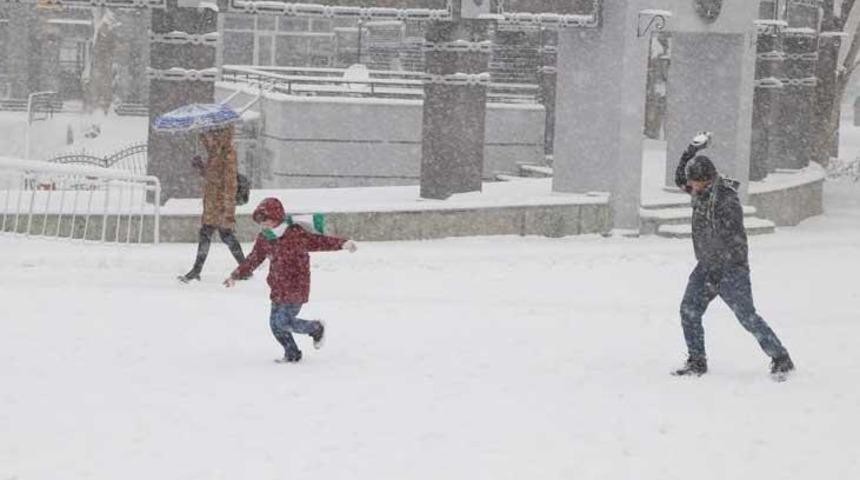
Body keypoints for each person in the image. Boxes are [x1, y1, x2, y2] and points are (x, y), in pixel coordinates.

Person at [672, 132, 794, 379]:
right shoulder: (699, 193)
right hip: (707, 266)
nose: (690, 187)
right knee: (689, 310)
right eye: (691, 183)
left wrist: (723, 266)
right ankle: (697, 361)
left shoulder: (727, 200)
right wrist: (690, 150)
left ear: (706, 180)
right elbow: (679, 178)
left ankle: (781, 358)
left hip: (731, 270)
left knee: (747, 316)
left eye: (694, 183)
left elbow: (734, 241)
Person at [224, 197, 358, 363]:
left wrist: (343, 243)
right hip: (277, 286)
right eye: (261, 221)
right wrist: (236, 275)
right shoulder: (265, 238)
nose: (264, 225)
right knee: (275, 326)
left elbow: (320, 241)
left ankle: (316, 328)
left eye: (266, 220)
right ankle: (292, 353)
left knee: (283, 321)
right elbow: (254, 259)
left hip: (296, 286)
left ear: (277, 218)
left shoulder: (294, 234)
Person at [179, 125, 246, 283]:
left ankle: (244, 268)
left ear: (218, 135)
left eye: (210, 134)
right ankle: (244, 268)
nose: (207, 137)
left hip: (220, 206)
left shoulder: (228, 154)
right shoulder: (215, 153)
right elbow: (213, 177)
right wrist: (201, 167)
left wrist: (227, 210)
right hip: (212, 204)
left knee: (222, 235)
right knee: (214, 235)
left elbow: (230, 185)